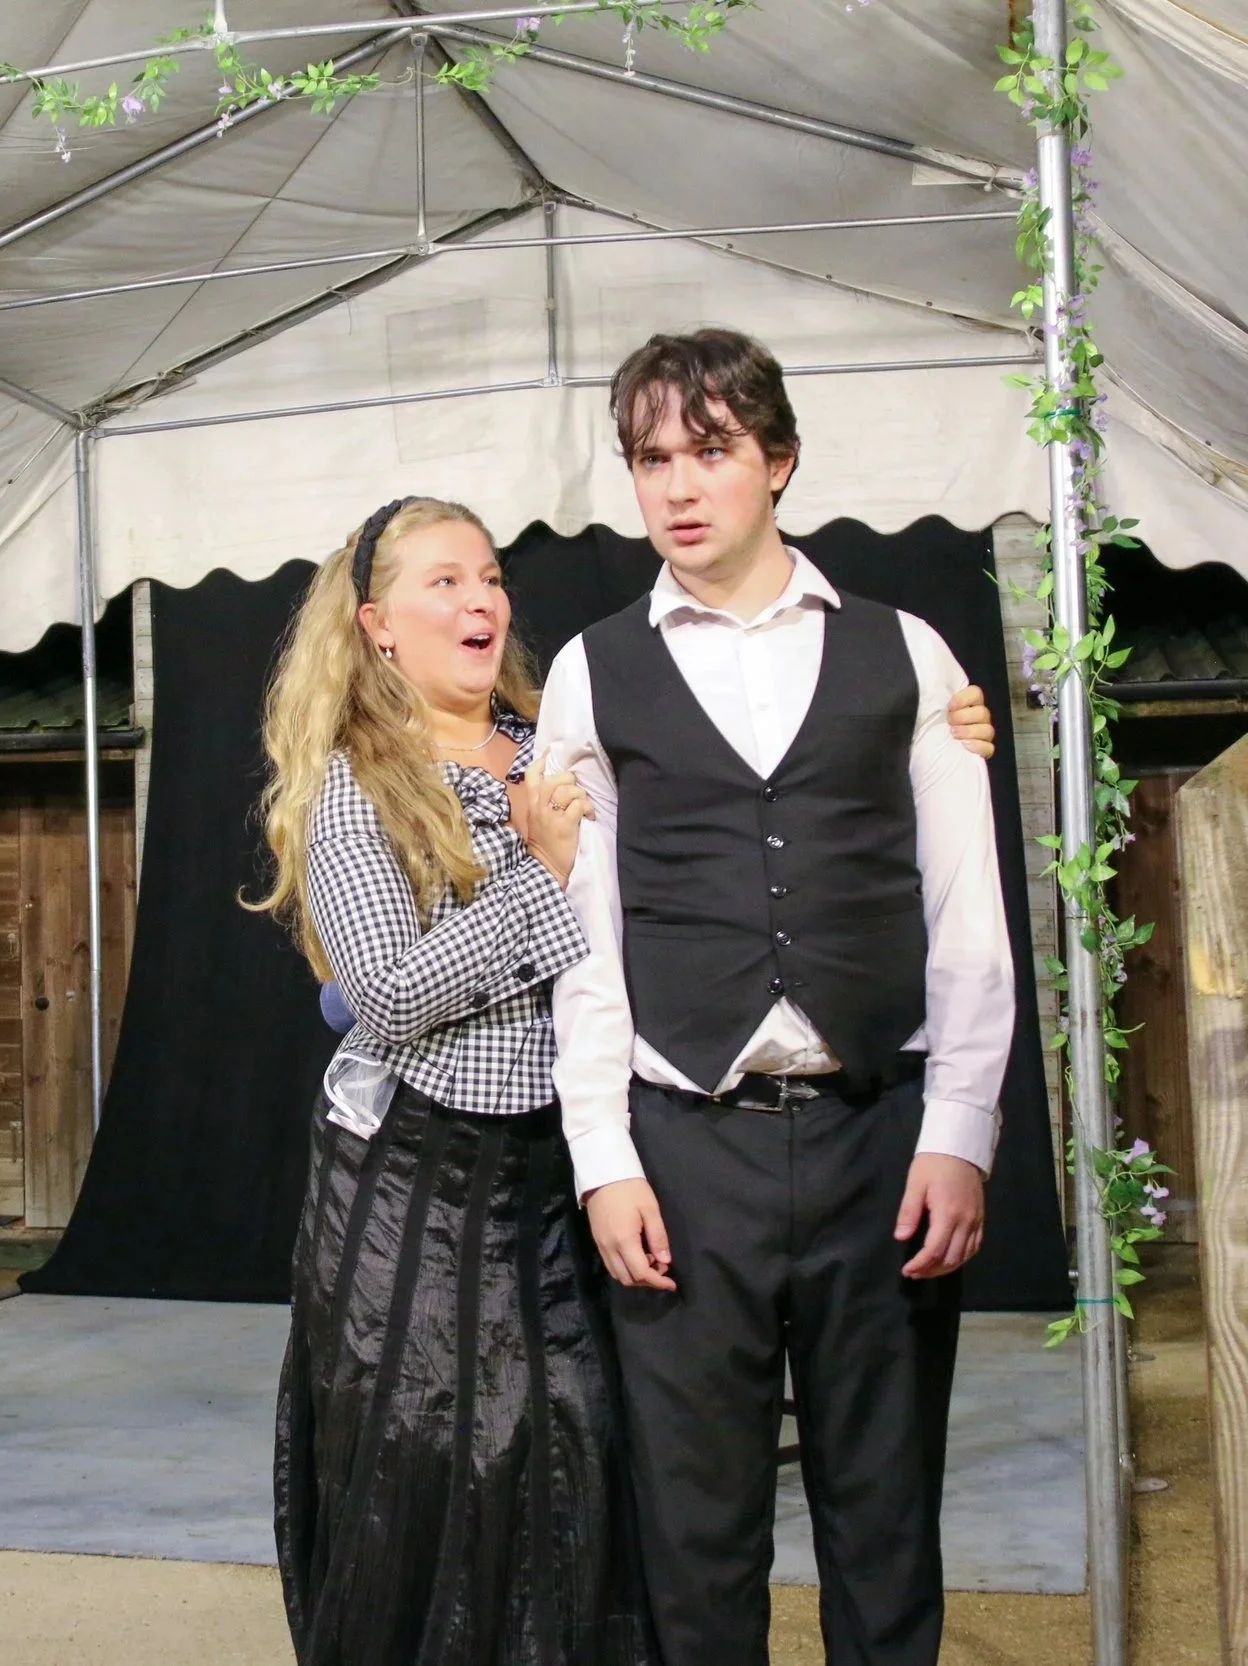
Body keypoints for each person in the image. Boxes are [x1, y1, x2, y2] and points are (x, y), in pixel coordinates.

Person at [536, 327, 1016, 1666]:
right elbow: (589, 936)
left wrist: (959, 1128)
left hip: (879, 1136)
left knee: (885, 1517)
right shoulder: (593, 668)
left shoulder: (906, 653)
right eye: (650, 459)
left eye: (711, 451)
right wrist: (603, 1155)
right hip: (685, 1143)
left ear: (780, 460)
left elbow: (967, 913)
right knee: (694, 1534)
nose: (679, 486)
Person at [255, 495, 650, 1665]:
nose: (478, 599)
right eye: (442, 581)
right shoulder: (353, 787)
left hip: (561, 1170)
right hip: (413, 1184)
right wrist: (537, 874)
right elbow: (382, 994)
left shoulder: (557, 750)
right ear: (376, 623)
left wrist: (932, 729)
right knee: (428, 1459)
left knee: (573, 1451)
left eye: (487, 577)